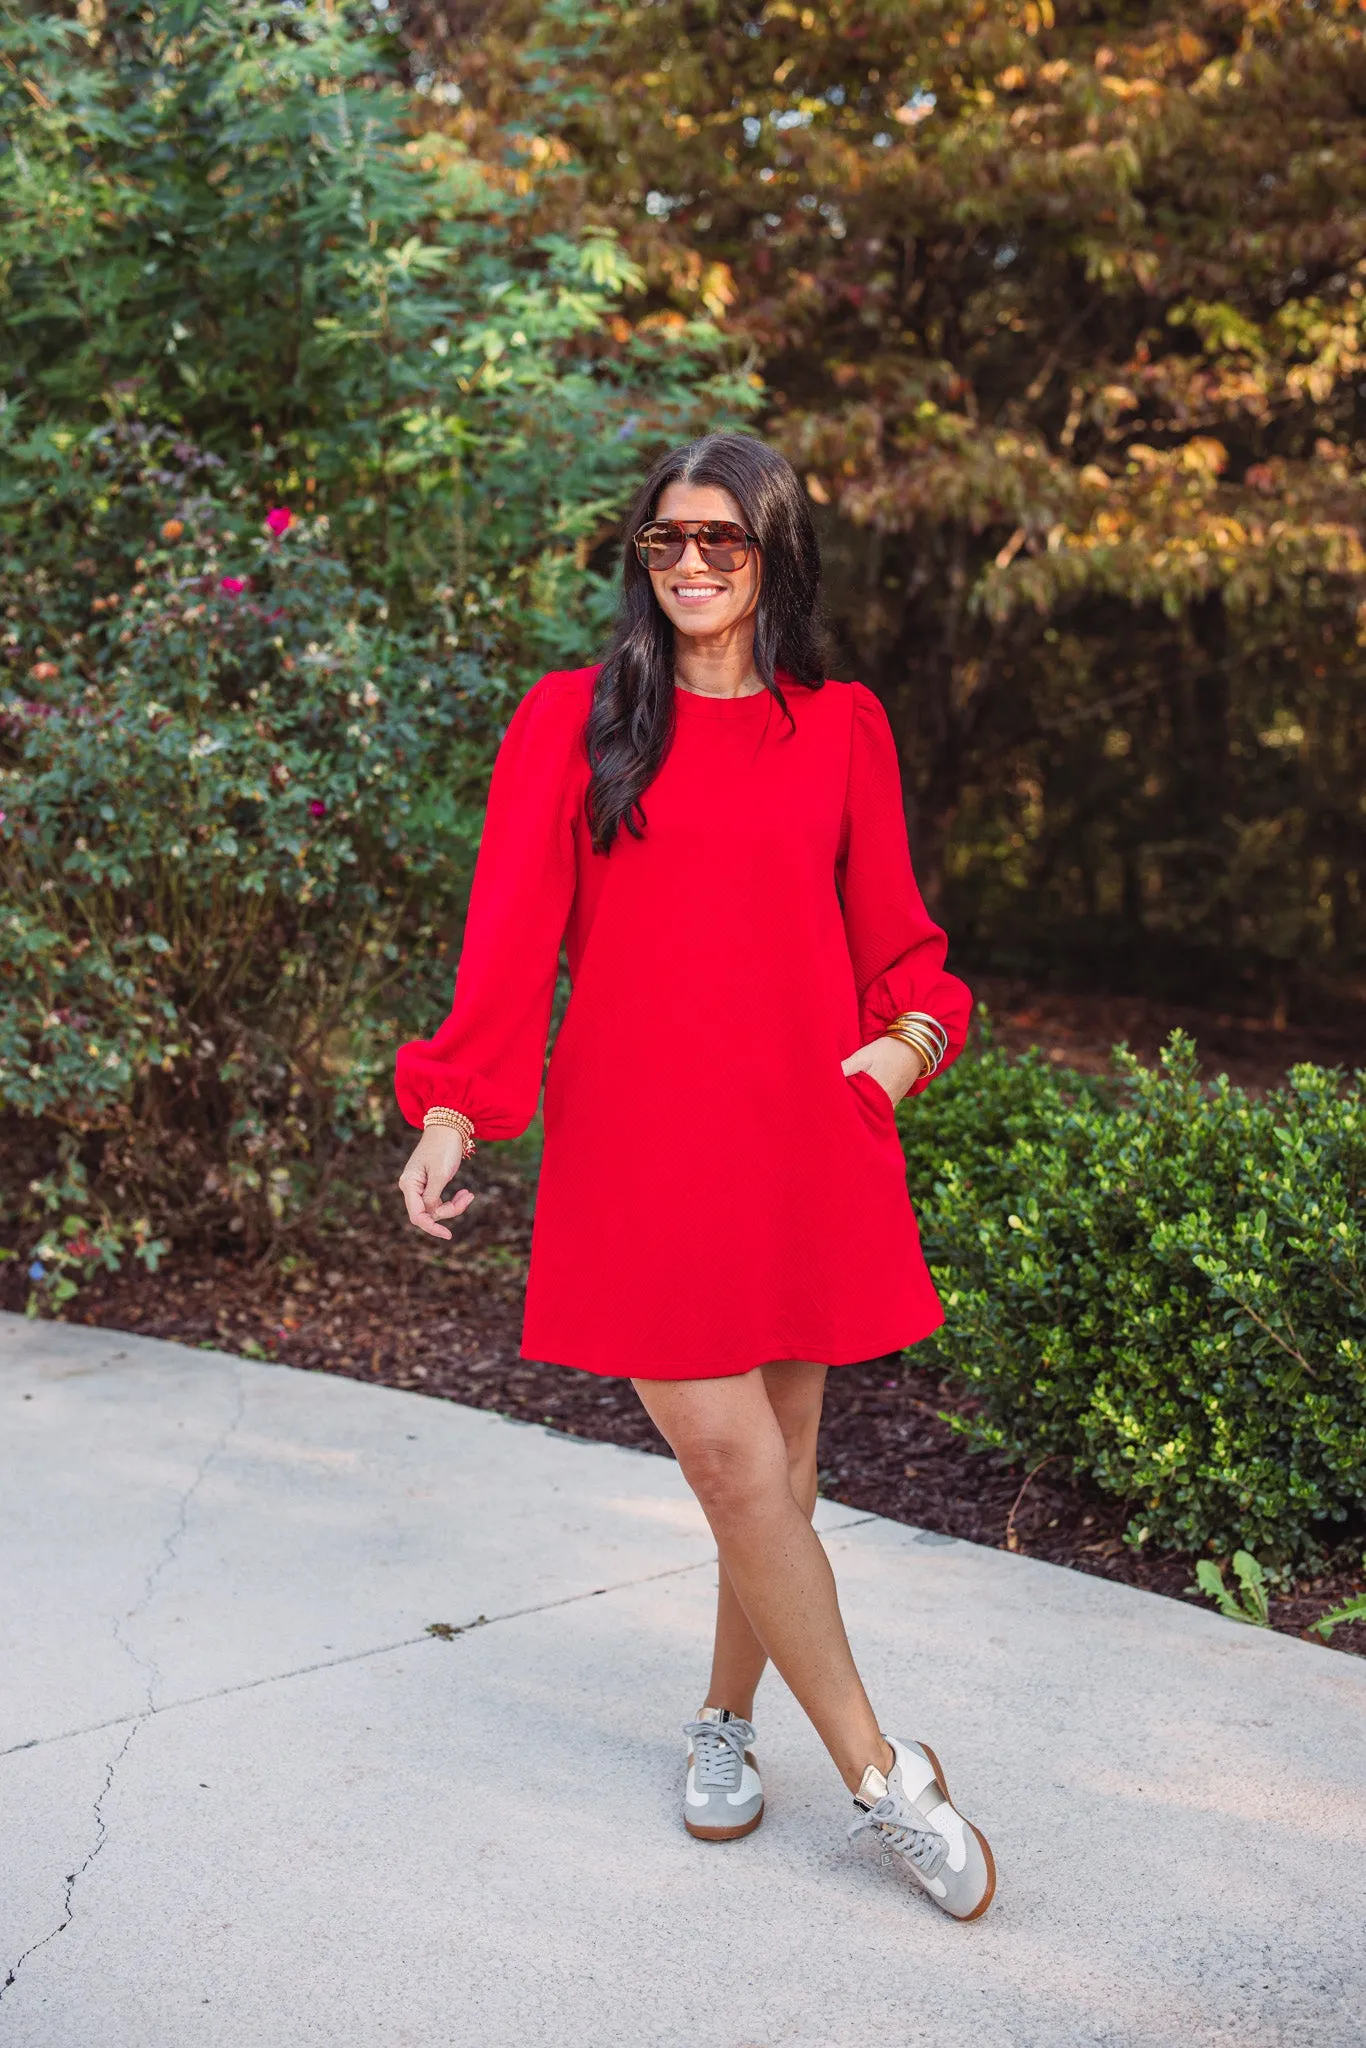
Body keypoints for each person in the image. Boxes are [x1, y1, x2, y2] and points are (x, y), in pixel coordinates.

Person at [395, 433, 994, 1920]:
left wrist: (899, 1054)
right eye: (667, 542)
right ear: (640, 557)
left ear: (774, 555)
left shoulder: (840, 726)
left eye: (721, 541)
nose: (691, 566)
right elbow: (508, 936)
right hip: (637, 1147)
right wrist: (456, 1109)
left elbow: (903, 948)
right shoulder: (570, 722)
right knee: (731, 1464)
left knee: (777, 1477)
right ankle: (881, 1774)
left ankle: (726, 1726)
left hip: (800, 1135)